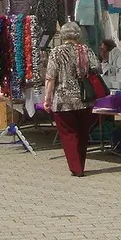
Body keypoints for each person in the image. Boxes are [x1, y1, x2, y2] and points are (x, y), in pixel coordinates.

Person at [42, 22, 101, 177]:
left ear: (63, 35)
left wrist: (47, 99)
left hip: (63, 100)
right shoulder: (85, 49)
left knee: (69, 134)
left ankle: (77, 168)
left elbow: (50, 78)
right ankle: (80, 164)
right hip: (84, 98)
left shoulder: (56, 52)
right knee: (82, 133)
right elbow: (97, 68)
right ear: (78, 34)